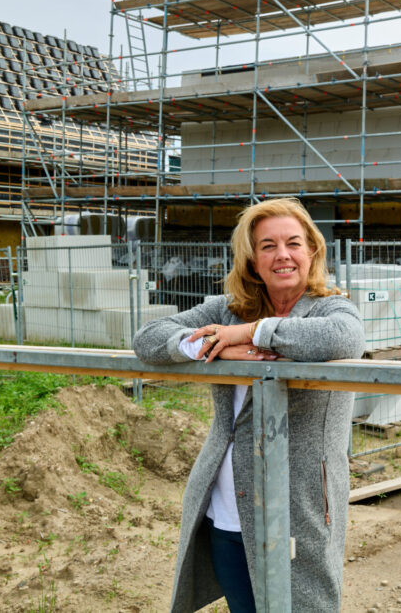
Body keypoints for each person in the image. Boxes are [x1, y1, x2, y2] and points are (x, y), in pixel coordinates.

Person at [133, 198, 365, 613]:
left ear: (312, 251)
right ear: (252, 260)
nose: (282, 255)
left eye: (293, 243)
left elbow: (343, 337)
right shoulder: (227, 311)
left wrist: (251, 334)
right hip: (227, 506)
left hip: (299, 506)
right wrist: (211, 345)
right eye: (267, 246)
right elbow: (147, 337)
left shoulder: (331, 306)